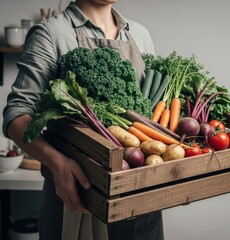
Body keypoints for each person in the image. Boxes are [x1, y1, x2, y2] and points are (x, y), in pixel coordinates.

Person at [2, 0, 164, 239]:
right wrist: (58, 164)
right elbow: (16, 116)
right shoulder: (51, 33)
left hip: (140, 197)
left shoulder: (140, 34)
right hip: (76, 194)